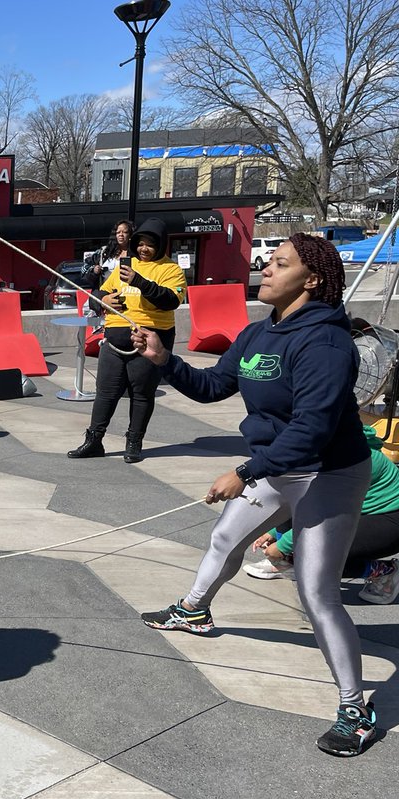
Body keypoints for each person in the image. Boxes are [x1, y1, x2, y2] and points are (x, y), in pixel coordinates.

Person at [134, 234, 377, 757]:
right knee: (226, 537)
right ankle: (194, 611)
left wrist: (245, 472)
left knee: (316, 592)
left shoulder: (326, 344)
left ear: (312, 279)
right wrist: (164, 359)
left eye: (280, 264)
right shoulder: (259, 331)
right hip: (277, 466)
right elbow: (212, 387)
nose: (265, 269)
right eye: (267, 262)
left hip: (329, 473)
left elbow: (312, 429)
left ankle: (355, 710)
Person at [67, 217, 186, 463]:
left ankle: (134, 442)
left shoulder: (171, 270)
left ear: (161, 245)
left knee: (141, 394)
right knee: (105, 393)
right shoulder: (125, 265)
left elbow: (170, 301)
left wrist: (138, 281)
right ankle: (94, 440)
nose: (144, 249)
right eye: (140, 243)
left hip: (148, 340)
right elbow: (98, 293)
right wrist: (102, 300)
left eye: (150, 244)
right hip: (113, 341)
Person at [244, 424, 399, 604]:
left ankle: (385, 571)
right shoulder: (329, 447)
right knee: (293, 496)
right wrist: (273, 533)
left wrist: (283, 546)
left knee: (320, 554)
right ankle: (289, 562)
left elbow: (324, 518)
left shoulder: (354, 459)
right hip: (354, 513)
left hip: (390, 520)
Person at [81, 219, 133, 293]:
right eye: (118, 232)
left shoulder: (136, 254)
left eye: (125, 232)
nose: (121, 234)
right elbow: (84, 269)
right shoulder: (103, 252)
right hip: (103, 294)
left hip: (126, 294)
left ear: (130, 235)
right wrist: (94, 271)